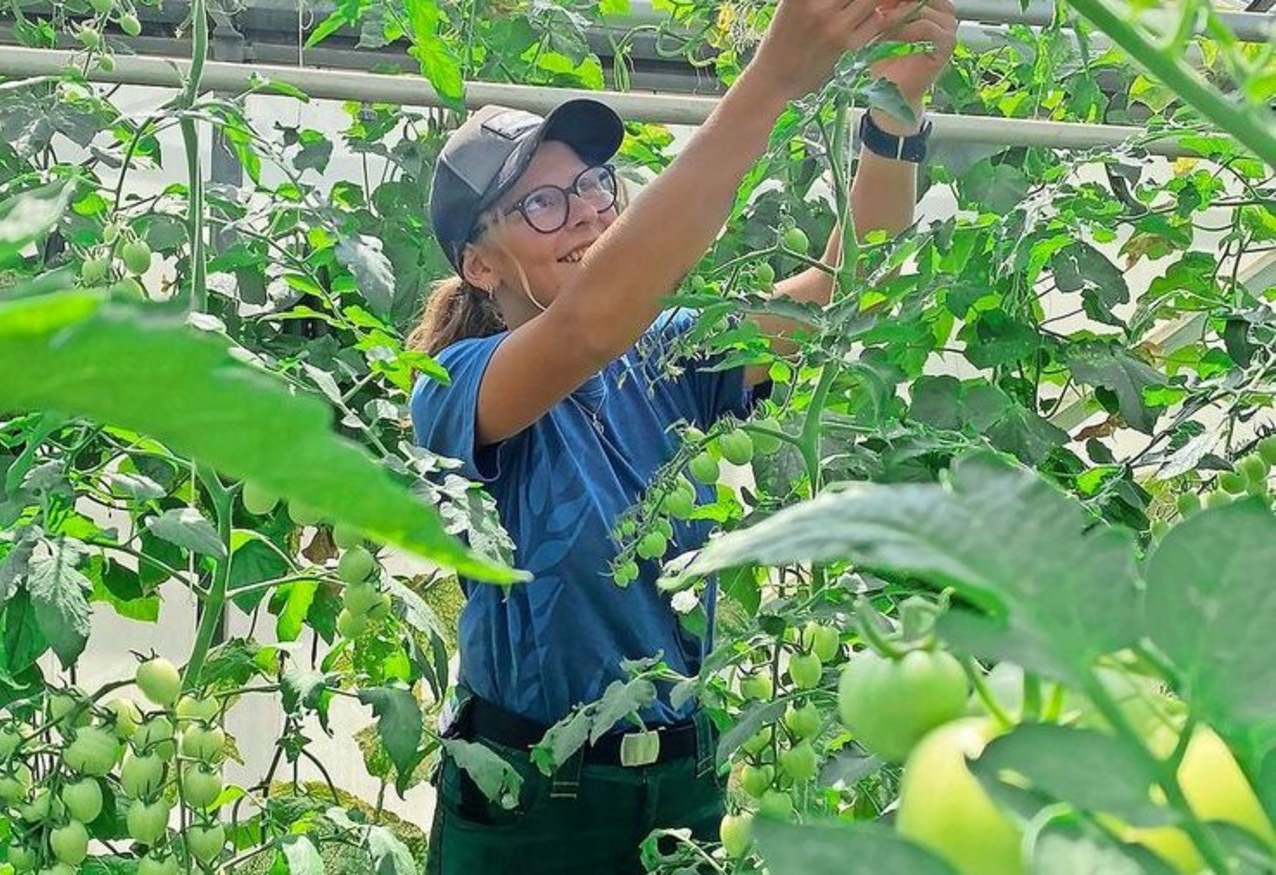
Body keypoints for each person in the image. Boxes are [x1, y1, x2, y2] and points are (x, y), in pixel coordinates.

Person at [407, 0, 957, 870]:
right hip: (530, 805)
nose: (587, 212)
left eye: (593, 186)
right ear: (479, 264)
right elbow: (587, 325)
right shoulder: (454, 387)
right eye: (542, 203)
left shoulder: (666, 354)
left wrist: (895, 112)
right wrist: (773, 79)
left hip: (683, 780)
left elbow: (853, 291)